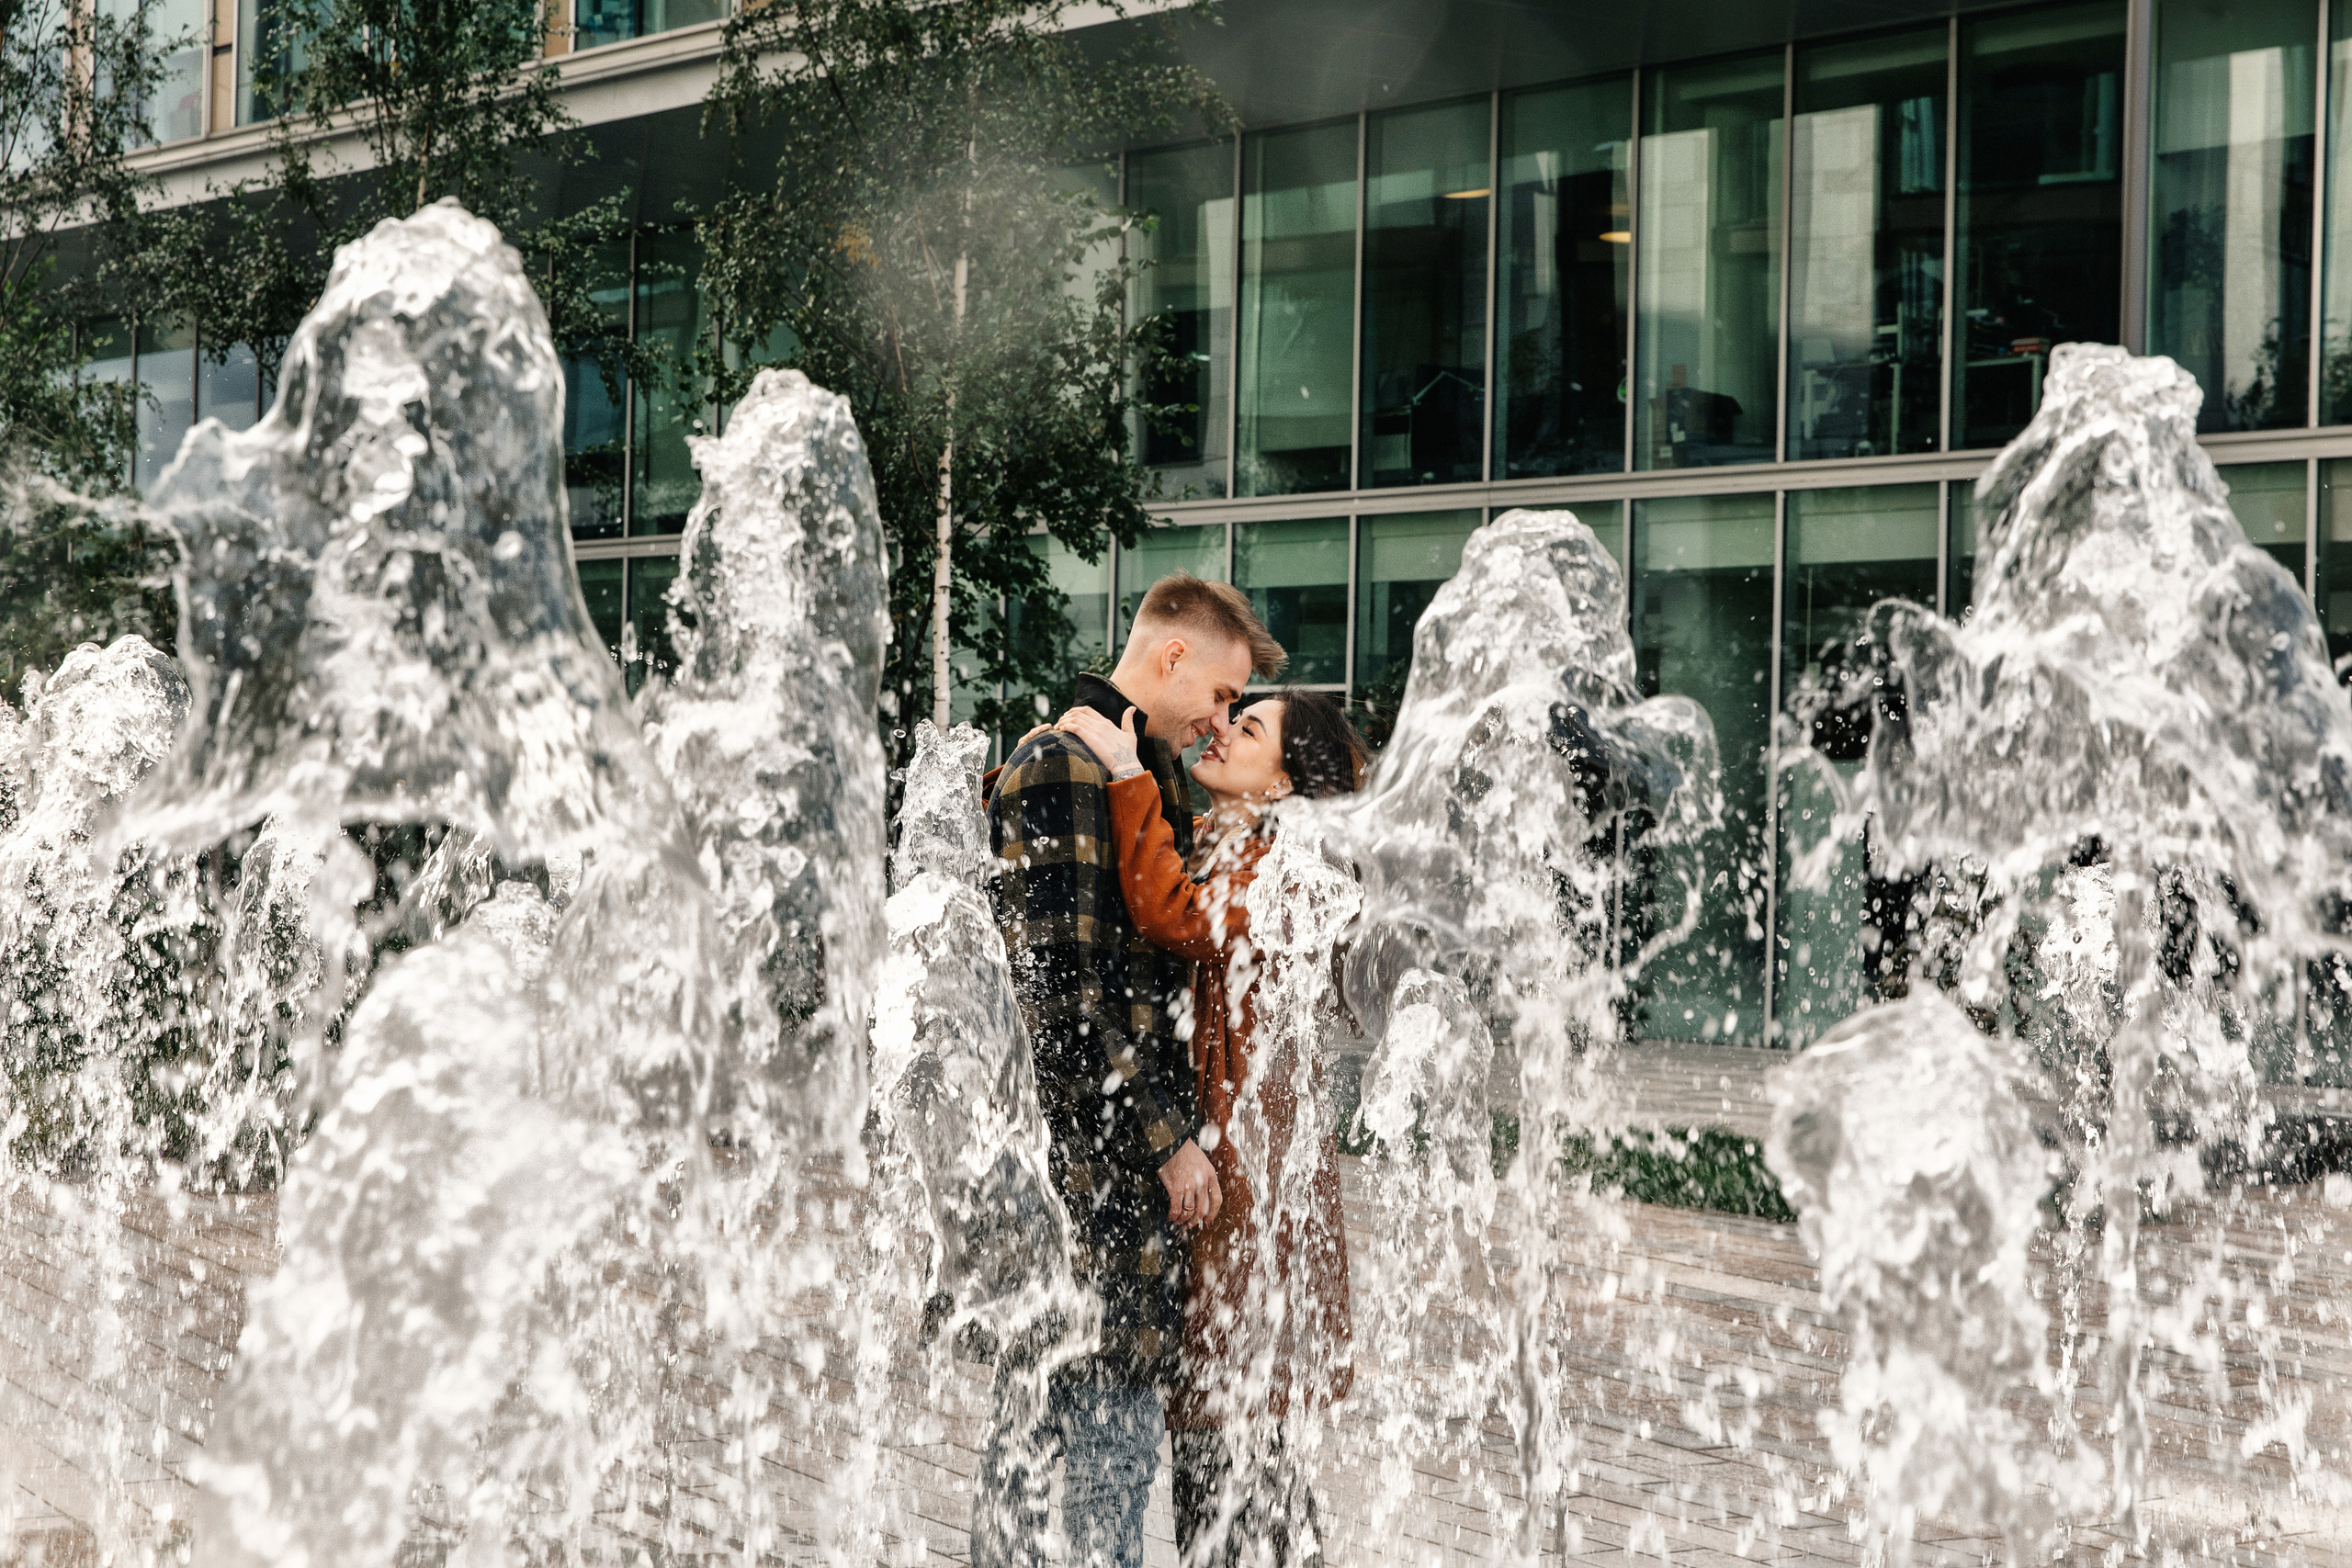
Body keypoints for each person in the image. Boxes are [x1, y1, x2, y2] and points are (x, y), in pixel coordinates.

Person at [972, 571, 1287, 1568]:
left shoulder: (1127, 764)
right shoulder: (1062, 764)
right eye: (1225, 695)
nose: (1221, 719)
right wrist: (1167, 1145)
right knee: (1088, 1450)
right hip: (1090, 1178)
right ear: (1173, 657)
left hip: (1113, 1176)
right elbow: (1061, 994)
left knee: (1069, 1441)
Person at [1052, 689, 1367, 1568]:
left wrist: (1121, 774)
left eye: (1250, 727)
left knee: (1240, 1427)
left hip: (1256, 1186)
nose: (1224, 728)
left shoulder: (1287, 868)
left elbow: (1174, 916)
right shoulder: (1222, 842)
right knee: (1214, 1429)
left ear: (1281, 784)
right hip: (1226, 1170)